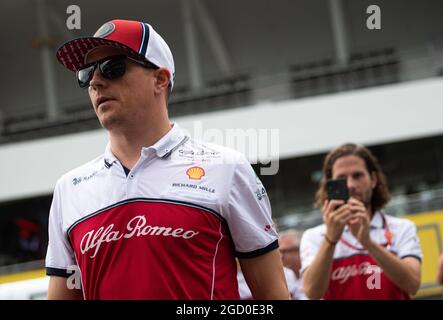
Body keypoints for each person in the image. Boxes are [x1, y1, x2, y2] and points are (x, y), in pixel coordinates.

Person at [45, 19, 290, 300]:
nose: (97, 81)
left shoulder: (226, 168)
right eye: (87, 73)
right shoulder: (69, 189)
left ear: (160, 79)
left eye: (113, 67)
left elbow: (273, 295)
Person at [300, 143, 422, 300]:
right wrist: (330, 239)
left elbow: (413, 284)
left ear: (373, 179)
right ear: (329, 185)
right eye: (341, 179)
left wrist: (367, 242)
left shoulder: (402, 228)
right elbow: (312, 293)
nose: (350, 185)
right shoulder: (315, 236)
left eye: (357, 176)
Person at [278, 229, 307, 299]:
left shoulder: (316, 271)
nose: (281, 257)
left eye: (285, 251)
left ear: (300, 250)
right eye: (279, 252)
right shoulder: (280, 277)